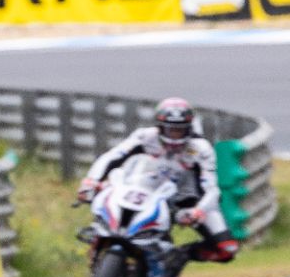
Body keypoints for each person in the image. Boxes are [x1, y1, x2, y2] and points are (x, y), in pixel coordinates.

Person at [77, 97, 238, 263]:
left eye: (180, 130)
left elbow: (212, 188)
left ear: (189, 128)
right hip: (141, 189)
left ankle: (179, 256)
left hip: (184, 202)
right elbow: (112, 156)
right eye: (170, 129)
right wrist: (91, 180)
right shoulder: (144, 136)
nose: (175, 135)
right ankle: (98, 242)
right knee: (102, 195)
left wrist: (198, 210)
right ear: (160, 126)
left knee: (227, 248)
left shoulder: (201, 149)